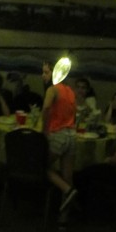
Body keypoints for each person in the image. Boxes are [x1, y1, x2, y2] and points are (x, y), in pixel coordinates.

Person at [40, 60, 78, 217]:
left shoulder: (52, 89)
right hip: (71, 136)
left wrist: (44, 130)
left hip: (57, 135)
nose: (43, 76)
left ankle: (68, 190)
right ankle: (64, 219)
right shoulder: (70, 91)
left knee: (40, 166)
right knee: (67, 176)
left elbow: (46, 108)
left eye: (46, 72)